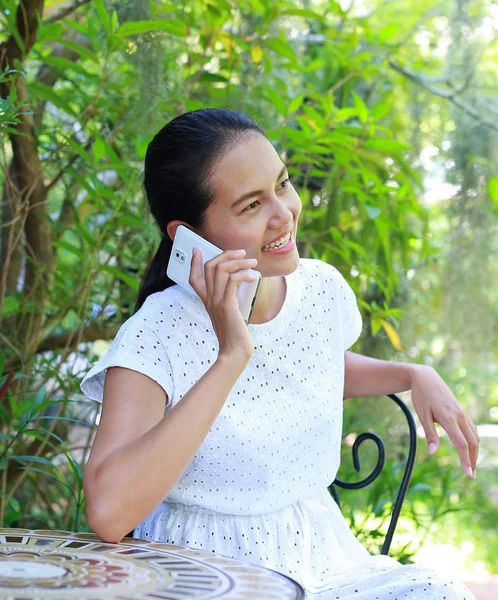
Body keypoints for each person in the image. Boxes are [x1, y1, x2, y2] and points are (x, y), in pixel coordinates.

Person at [80, 108, 478, 599]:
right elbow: (109, 513)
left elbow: (305, 369)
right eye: (251, 206)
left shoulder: (321, 288)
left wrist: (411, 372)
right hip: (203, 568)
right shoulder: (157, 332)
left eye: (283, 184)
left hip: (325, 559)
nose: (284, 212)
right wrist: (231, 356)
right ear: (187, 235)